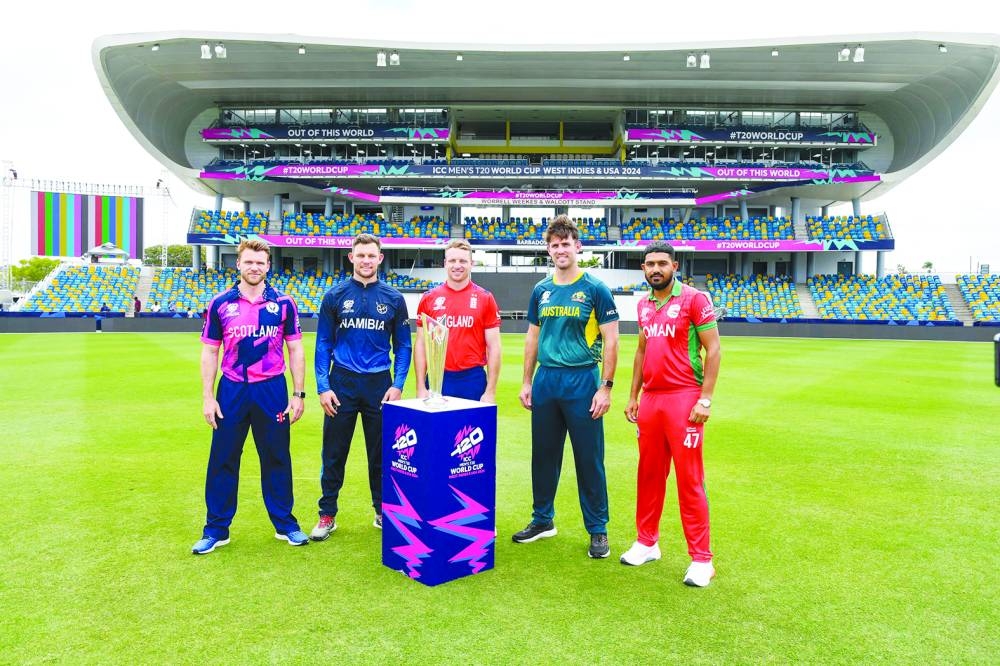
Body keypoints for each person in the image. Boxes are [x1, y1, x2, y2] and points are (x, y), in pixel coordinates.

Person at [191, 238, 309, 554]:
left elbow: (296, 348)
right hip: (232, 389)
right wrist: (207, 396)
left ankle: (286, 525)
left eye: (260, 262)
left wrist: (298, 394)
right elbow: (210, 351)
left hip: (271, 388)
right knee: (223, 458)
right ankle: (216, 529)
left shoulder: (284, 303)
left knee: (276, 457)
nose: (254, 267)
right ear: (239, 264)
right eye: (248, 262)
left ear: (268, 266)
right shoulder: (220, 303)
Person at [514, 215, 619, 559]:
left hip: (582, 380)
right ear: (549, 250)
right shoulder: (541, 290)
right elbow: (532, 337)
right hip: (547, 380)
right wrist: (527, 380)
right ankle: (543, 519)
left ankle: (598, 529)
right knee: (543, 455)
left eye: (566, 244)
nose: (561, 250)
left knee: (589, 458)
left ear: (578, 246)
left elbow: (613, 340)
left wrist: (605, 387)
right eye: (555, 245)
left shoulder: (595, 288)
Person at [621, 242, 721, 587]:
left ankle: (702, 560)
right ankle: (647, 542)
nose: (655, 269)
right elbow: (641, 351)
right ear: (643, 268)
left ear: (674, 266)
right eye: (649, 264)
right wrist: (633, 395)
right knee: (648, 474)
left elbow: (714, 349)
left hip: (684, 399)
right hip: (651, 400)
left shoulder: (694, 299)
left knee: (689, 479)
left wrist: (705, 400)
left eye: (662, 263)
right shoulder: (643, 304)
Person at [310, 233, 412, 541]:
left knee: (381, 454)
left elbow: (404, 345)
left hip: (379, 385)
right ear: (351, 257)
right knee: (334, 452)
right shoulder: (335, 295)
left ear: (380, 259)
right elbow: (323, 343)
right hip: (342, 382)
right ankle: (327, 514)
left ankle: (382, 511)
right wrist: (322, 386)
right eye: (361, 255)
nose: (366, 260)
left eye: (372, 255)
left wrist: (397, 384)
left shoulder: (394, 298)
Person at [414, 239, 501, 402]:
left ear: (471, 264)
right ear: (445, 263)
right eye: (452, 260)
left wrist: (490, 391)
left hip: (472, 379)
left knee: (471, 428)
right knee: (437, 428)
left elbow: (494, 346)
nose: (457, 265)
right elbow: (421, 344)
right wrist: (420, 386)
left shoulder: (485, 298)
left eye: (463, 261)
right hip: (438, 378)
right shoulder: (429, 298)